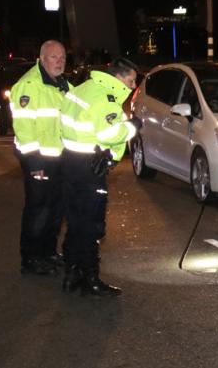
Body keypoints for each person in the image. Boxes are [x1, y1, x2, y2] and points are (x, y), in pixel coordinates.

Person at [59, 58, 139, 297]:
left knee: (75, 221)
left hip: (71, 162)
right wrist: (133, 126)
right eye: (131, 80)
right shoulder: (106, 98)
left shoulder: (82, 88)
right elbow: (110, 133)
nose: (133, 85)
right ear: (118, 77)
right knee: (91, 225)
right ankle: (90, 279)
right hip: (90, 168)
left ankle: (72, 274)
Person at [9, 40, 72, 274]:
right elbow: (24, 128)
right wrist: (34, 162)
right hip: (39, 160)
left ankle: (48, 252)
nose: (60, 61)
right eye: (54, 57)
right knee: (39, 210)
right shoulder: (29, 85)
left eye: (63, 57)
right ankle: (31, 258)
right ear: (42, 58)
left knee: (55, 209)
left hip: (59, 159)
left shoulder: (63, 84)